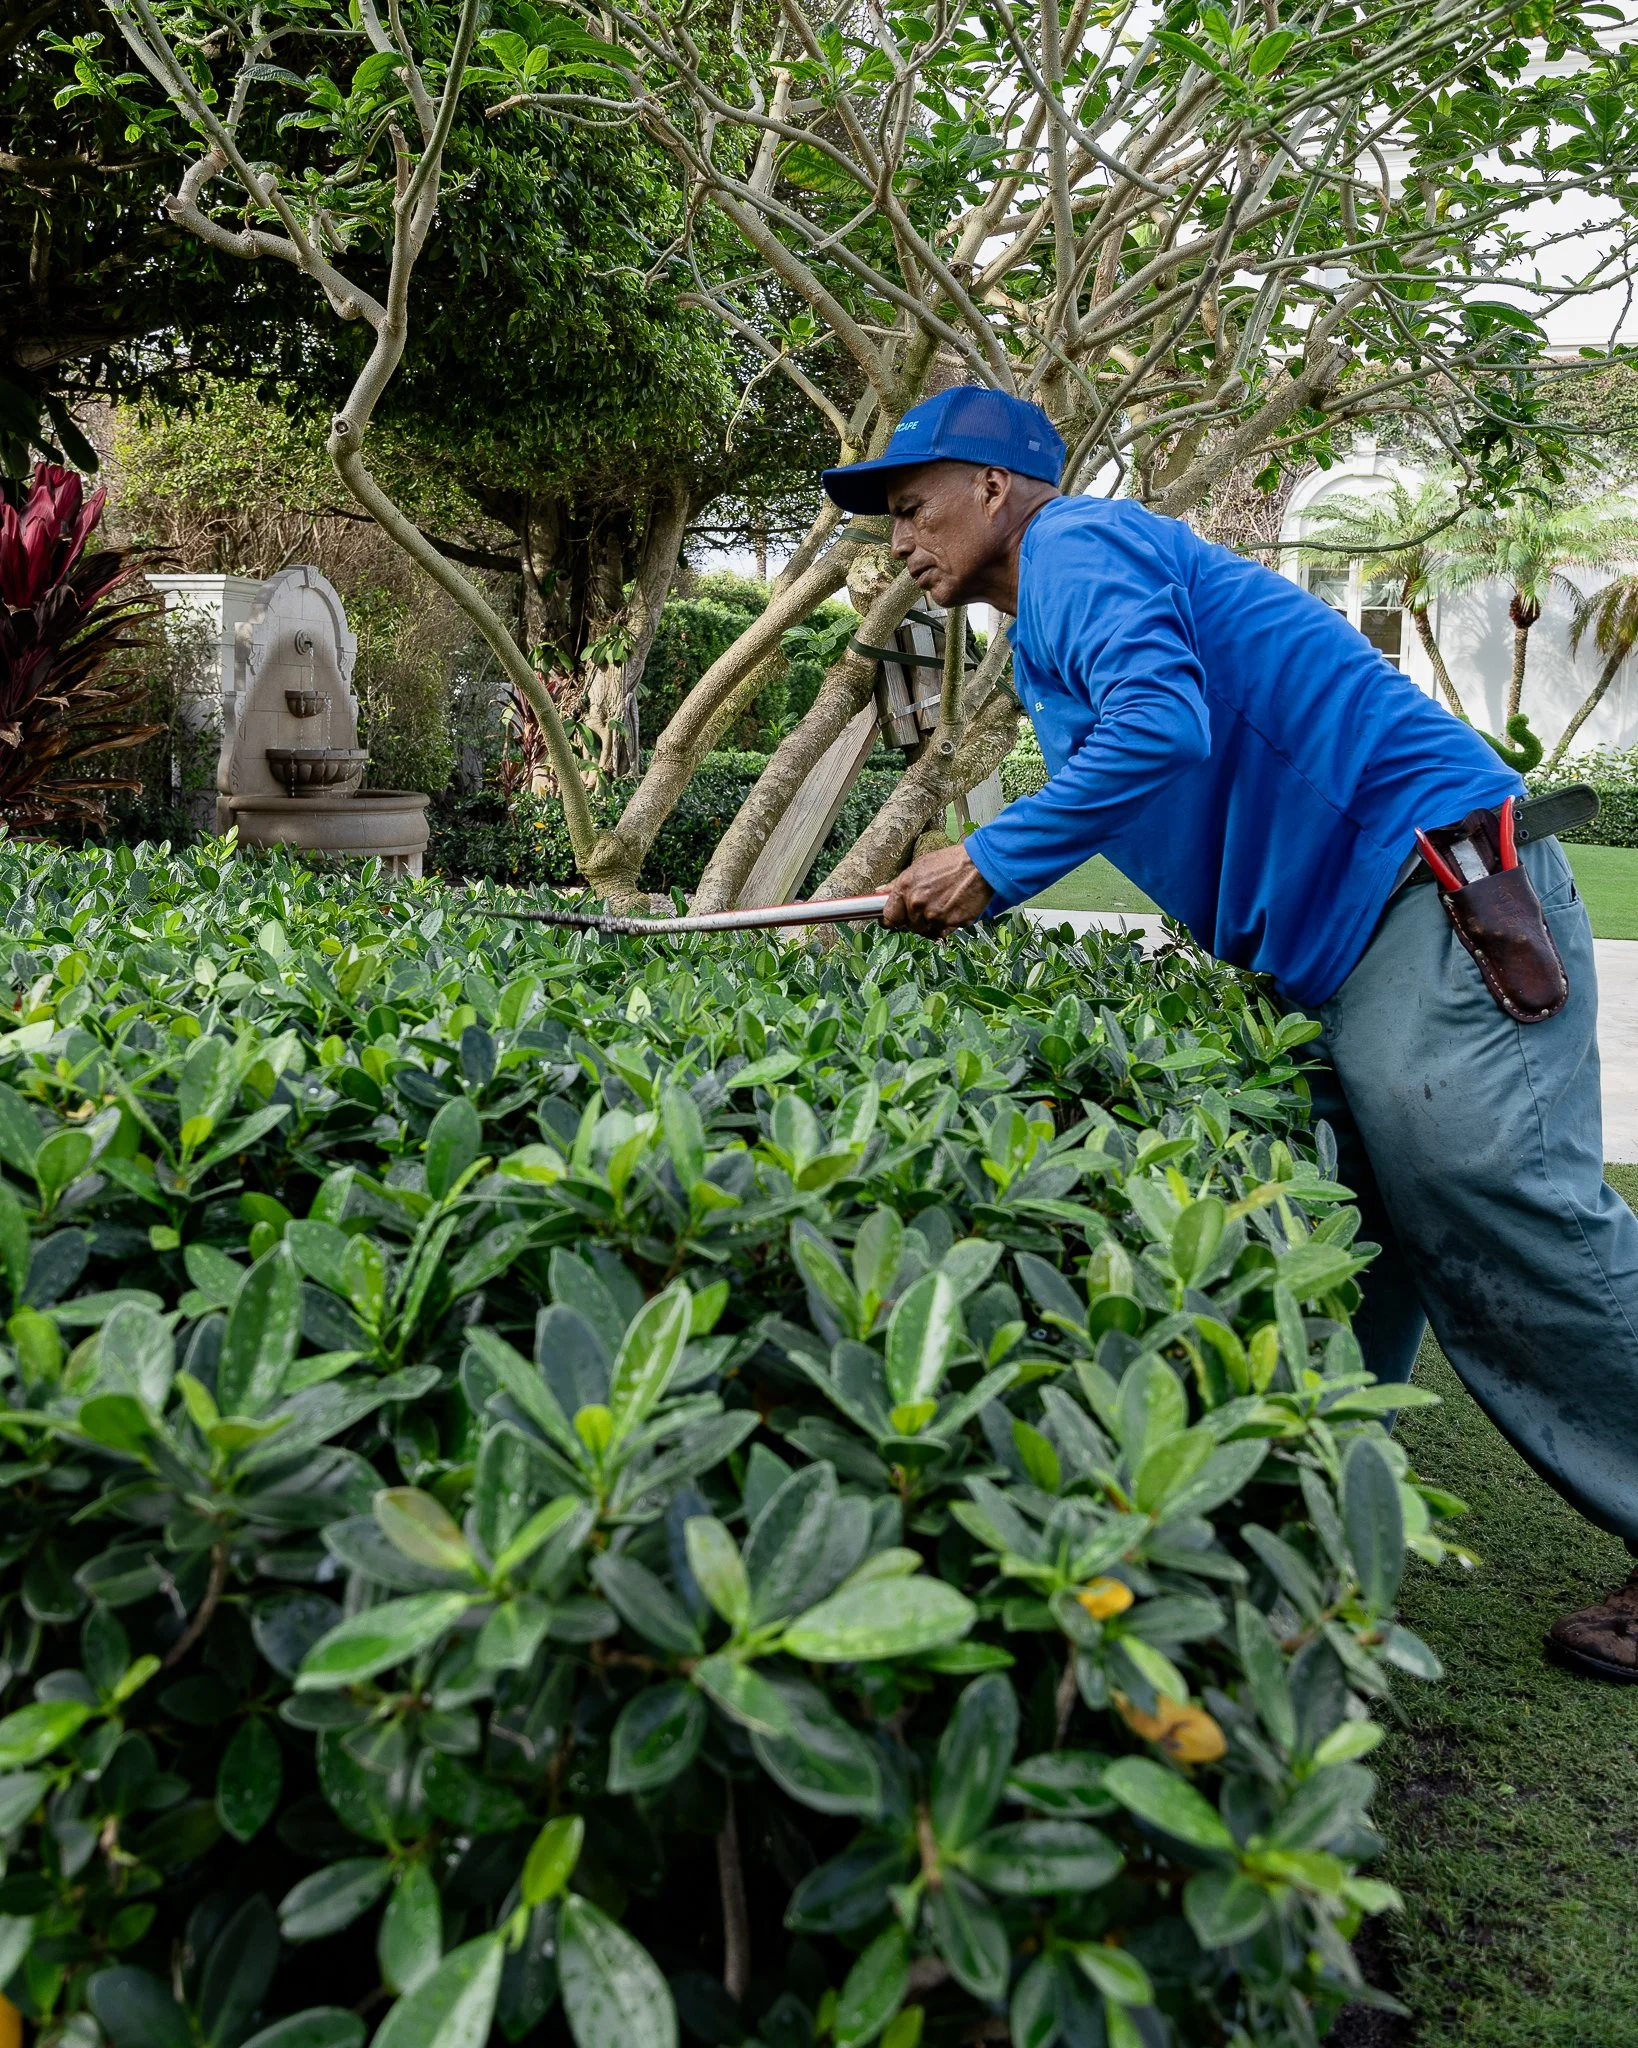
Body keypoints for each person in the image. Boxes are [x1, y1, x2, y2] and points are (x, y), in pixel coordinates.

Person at [821, 385, 1638, 1681]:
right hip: (1350, 941)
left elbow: (1160, 724)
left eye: (913, 509)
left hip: (1428, 894)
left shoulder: (1077, 545)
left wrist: (991, 857)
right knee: (1338, 1233)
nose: (900, 544)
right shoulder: (1053, 616)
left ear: (992, 486)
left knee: (1505, 1202)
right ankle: (1310, 1531)